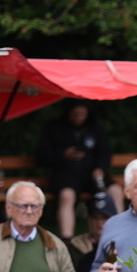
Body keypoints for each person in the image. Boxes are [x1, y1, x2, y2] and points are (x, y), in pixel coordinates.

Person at [36, 99, 124, 239]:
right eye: (75, 113)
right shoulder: (54, 128)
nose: (79, 117)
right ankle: (67, 239)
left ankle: (120, 234)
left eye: (82, 113)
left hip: (92, 175)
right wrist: (63, 154)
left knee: (116, 191)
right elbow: (42, 157)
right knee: (67, 196)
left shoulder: (95, 128)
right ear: (68, 113)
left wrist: (100, 169)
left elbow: (105, 153)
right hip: (66, 175)